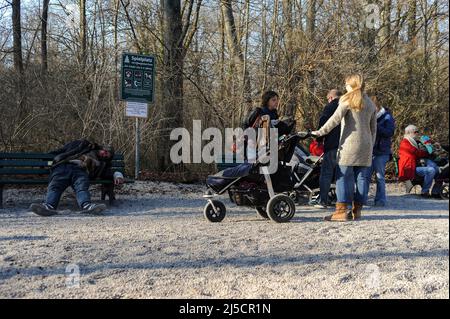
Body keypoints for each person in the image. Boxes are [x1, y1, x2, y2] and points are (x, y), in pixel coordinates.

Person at [312, 74, 377, 221]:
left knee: (343, 177)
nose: (345, 87)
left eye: (347, 84)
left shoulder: (347, 100)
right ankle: (357, 210)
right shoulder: (371, 104)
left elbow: (334, 120)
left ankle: (341, 212)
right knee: (362, 178)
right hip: (366, 145)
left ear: (352, 85)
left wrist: (318, 133)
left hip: (349, 144)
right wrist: (371, 145)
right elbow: (374, 130)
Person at [30, 139, 124, 216]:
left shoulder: (102, 164)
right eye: (105, 151)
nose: (105, 154)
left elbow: (110, 172)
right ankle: (48, 206)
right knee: (55, 185)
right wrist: (44, 160)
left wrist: (118, 176)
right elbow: (60, 151)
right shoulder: (82, 145)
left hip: (80, 170)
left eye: (108, 155)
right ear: (101, 148)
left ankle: (86, 206)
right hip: (63, 166)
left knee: (82, 186)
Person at [311, 89, 342, 208]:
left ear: (330, 98)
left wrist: (318, 139)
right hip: (346, 146)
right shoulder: (348, 106)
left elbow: (323, 123)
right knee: (341, 175)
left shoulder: (330, 107)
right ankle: (342, 201)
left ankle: (323, 200)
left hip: (332, 144)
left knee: (326, 174)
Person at [368, 95, 395, 206]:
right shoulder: (369, 116)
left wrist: (376, 126)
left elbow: (389, 132)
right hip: (369, 150)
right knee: (365, 176)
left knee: (380, 177)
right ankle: (361, 200)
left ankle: (380, 200)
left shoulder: (387, 117)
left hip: (381, 151)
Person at [398, 125, 439, 198]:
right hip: (409, 169)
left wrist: (432, 146)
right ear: (409, 132)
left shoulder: (412, 141)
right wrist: (428, 153)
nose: (417, 133)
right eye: (415, 132)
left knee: (435, 167)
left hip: (414, 165)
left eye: (417, 131)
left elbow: (420, 151)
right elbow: (417, 152)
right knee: (431, 170)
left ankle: (436, 191)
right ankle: (425, 191)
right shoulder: (405, 143)